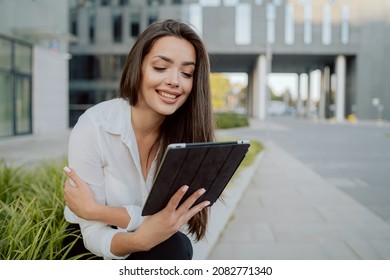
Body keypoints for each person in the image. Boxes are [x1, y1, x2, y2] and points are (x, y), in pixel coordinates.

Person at [62, 19, 215, 260]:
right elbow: (92, 235)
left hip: (152, 240)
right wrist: (140, 239)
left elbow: (173, 221)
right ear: (138, 67)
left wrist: (96, 210)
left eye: (186, 73)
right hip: (88, 245)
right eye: (160, 67)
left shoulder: (188, 135)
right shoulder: (94, 126)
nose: (175, 81)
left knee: (176, 246)